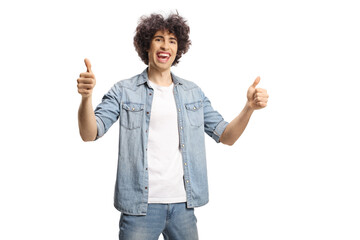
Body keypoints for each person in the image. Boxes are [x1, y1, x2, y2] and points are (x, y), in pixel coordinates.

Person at [77, 12, 268, 240]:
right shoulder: (123, 91)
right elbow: (89, 133)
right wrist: (86, 97)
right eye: (158, 38)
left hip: (183, 207)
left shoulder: (192, 93)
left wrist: (249, 108)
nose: (165, 45)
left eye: (172, 40)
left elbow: (227, 136)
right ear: (146, 45)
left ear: (178, 49)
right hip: (139, 208)